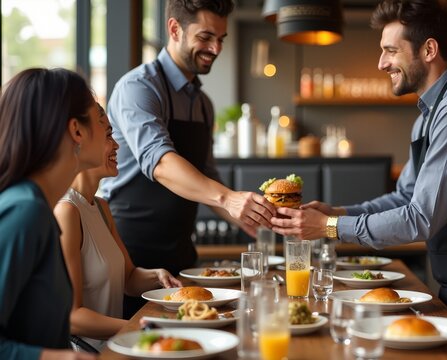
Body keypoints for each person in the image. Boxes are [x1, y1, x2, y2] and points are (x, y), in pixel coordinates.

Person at [271, 0, 447, 314]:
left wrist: (330, 226)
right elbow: (406, 196)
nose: (381, 63)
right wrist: (335, 212)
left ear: (429, 50)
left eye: (391, 50)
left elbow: (421, 217)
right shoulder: (427, 114)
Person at [99, 0, 276, 317]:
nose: (216, 48)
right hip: (132, 259)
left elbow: (205, 173)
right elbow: (161, 163)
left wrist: (255, 219)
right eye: (206, 36)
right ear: (174, 29)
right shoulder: (139, 88)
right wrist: (229, 198)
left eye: (221, 39)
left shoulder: (203, 104)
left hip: (183, 256)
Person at [53, 105, 183, 351]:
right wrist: (136, 326)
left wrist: (157, 275)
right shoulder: (67, 211)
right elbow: (72, 317)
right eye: (108, 135)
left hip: (114, 348)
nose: (117, 145)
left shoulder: (101, 207)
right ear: (79, 141)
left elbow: (129, 279)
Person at [0, 68, 105, 360]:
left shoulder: (38, 208)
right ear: (76, 130)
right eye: (99, 121)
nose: (111, 136)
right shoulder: (25, 212)